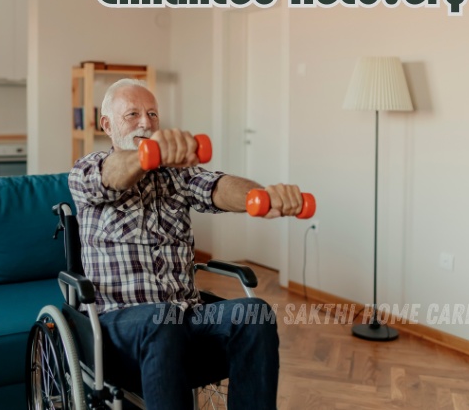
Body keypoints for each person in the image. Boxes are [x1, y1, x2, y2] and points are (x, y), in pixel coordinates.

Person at [68, 78, 305, 410]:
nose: (146, 122)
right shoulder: (86, 171)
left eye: (152, 114)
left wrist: (262, 197)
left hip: (186, 318)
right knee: (162, 318)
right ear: (106, 124)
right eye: (133, 114)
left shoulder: (176, 176)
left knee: (254, 313)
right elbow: (113, 175)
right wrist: (146, 154)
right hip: (118, 325)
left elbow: (218, 187)